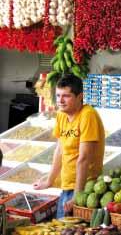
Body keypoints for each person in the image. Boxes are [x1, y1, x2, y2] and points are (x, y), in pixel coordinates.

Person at [33, 74, 105, 218]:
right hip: (66, 184)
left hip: (84, 187)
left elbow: (84, 158)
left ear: (80, 97)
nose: (60, 100)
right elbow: (60, 150)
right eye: (58, 95)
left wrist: (77, 197)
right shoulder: (61, 115)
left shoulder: (88, 115)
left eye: (66, 96)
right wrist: (49, 180)